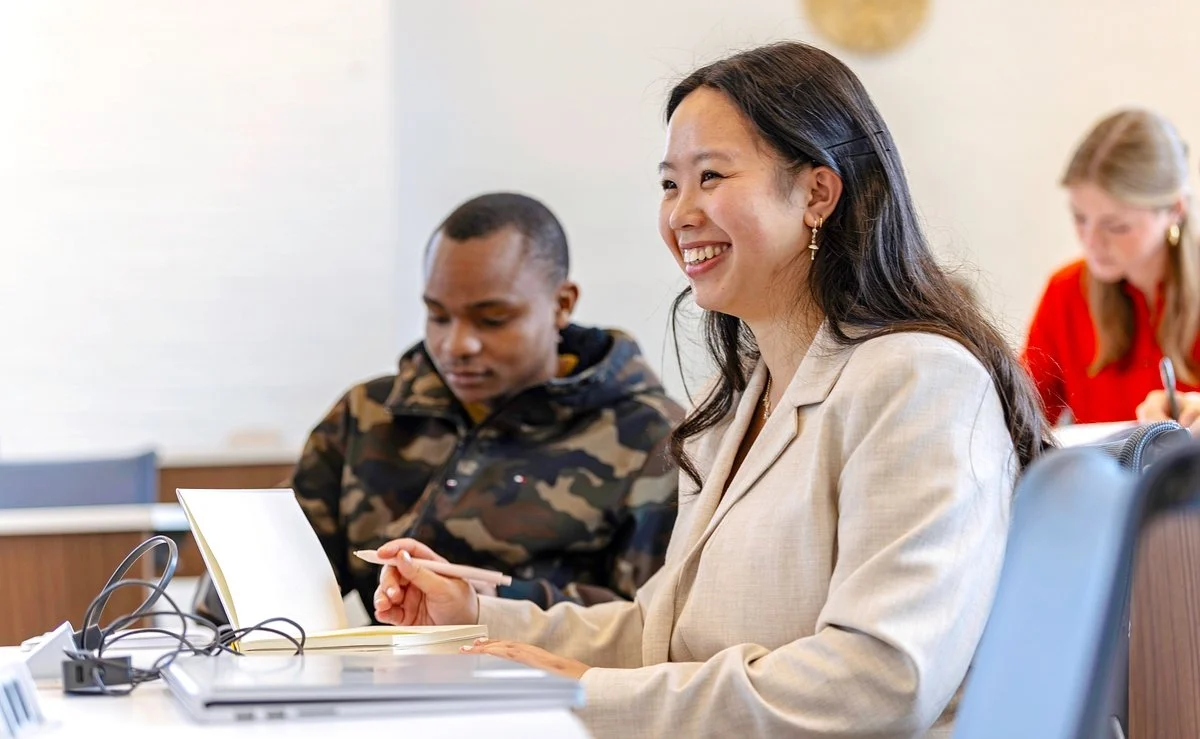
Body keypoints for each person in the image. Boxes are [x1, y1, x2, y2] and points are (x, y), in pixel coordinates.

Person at [369, 43, 1050, 738]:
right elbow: (662, 632)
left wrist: (586, 694)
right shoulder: (728, 403)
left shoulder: (919, 380)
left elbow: (879, 680)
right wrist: (476, 615)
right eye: (670, 184)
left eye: (711, 176)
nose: (681, 213)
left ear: (818, 192)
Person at [195, 192, 684, 623]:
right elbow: (266, 585)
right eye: (437, 316)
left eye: (492, 319)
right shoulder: (369, 416)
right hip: (381, 699)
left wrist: (489, 599)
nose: (456, 345)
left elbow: (650, 623)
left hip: (551, 702)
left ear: (561, 304)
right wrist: (235, 580)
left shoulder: (652, 436)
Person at [1023, 109, 1200, 433]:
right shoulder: (1065, 292)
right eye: (1079, 217)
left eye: (1116, 226)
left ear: (1175, 209)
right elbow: (1021, 422)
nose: (1090, 242)